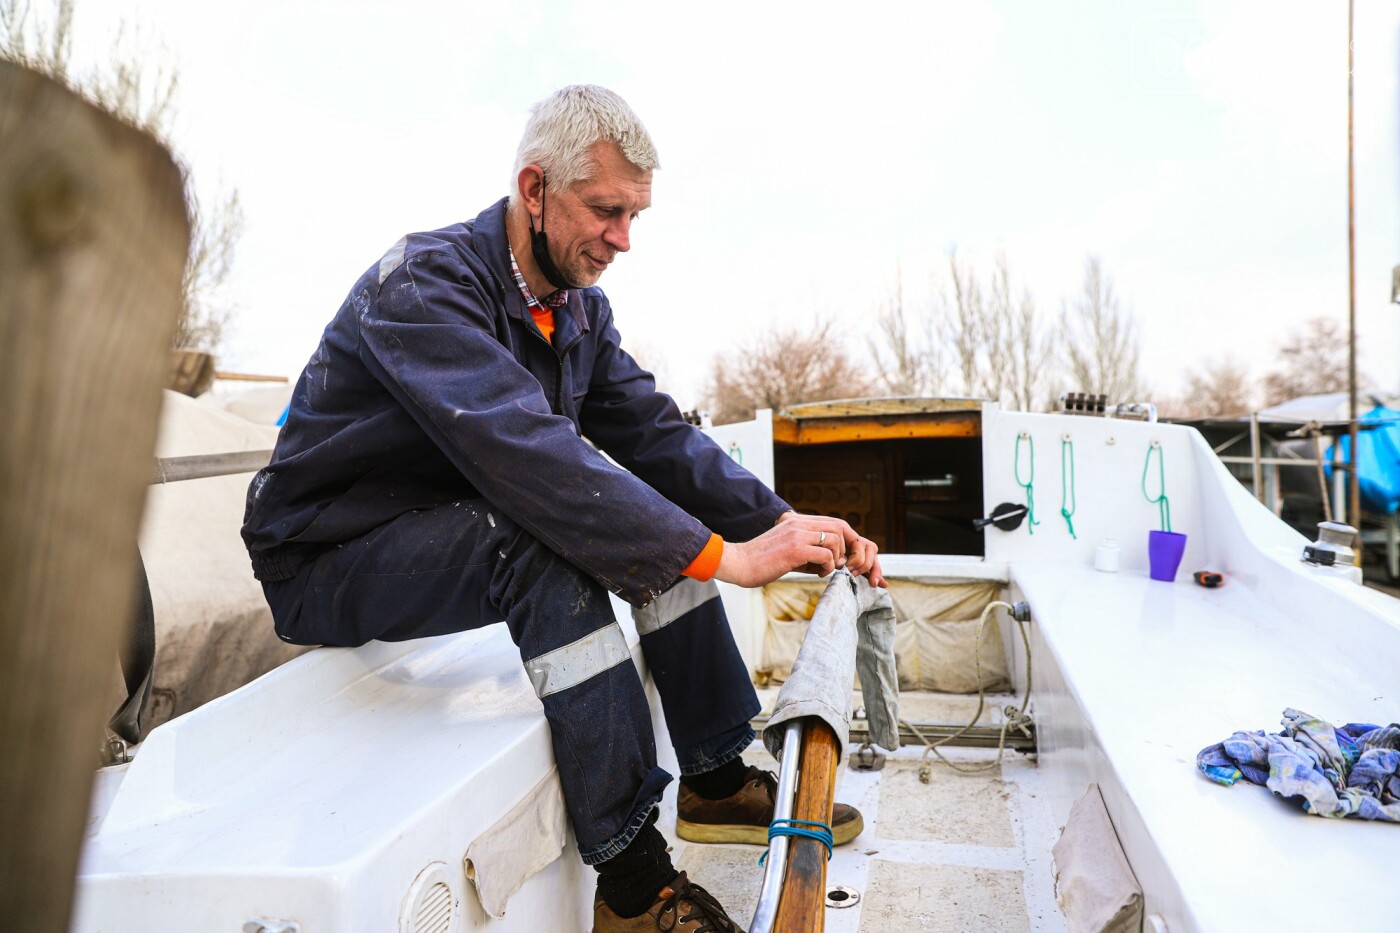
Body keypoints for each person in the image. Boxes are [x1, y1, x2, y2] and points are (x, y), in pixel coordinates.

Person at [241, 84, 885, 932]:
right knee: (545, 535)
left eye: (633, 216)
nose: (621, 239)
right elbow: (533, 459)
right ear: (534, 188)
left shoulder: (575, 309)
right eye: (605, 211)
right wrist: (725, 559)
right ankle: (633, 887)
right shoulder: (424, 288)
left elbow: (655, 435)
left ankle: (715, 774)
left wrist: (781, 525)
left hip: (439, 529)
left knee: (643, 509)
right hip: (328, 553)